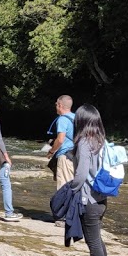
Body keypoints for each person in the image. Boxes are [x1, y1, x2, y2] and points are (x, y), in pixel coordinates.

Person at [68, 104, 113, 256]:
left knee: (92, 241)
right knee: (97, 238)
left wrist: (71, 189)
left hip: (89, 199)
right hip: (101, 198)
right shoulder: (101, 140)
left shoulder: (85, 142)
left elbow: (81, 173)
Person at [46, 95, 76, 223]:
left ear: (60, 105)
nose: (55, 106)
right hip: (76, 156)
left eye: (56, 104)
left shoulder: (62, 120)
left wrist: (52, 151)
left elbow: (61, 139)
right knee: (74, 186)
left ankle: (63, 217)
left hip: (65, 156)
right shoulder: (76, 117)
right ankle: (73, 215)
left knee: (63, 186)